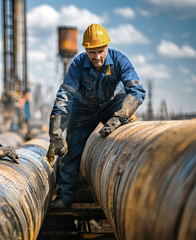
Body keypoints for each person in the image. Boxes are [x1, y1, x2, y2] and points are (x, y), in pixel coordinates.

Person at [47, 23, 146, 209]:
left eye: (101, 51)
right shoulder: (77, 64)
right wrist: (56, 133)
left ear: (107, 47)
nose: (97, 56)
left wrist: (120, 116)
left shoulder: (119, 60)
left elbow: (137, 90)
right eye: (92, 52)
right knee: (71, 152)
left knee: (126, 137)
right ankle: (64, 198)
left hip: (112, 106)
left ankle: (125, 195)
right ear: (85, 50)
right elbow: (65, 96)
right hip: (83, 109)